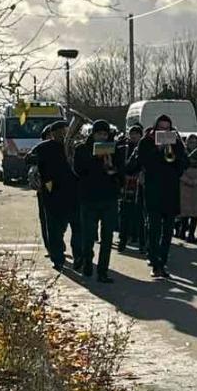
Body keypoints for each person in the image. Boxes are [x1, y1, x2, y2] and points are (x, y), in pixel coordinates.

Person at [126, 116, 188, 280]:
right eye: (161, 128)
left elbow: (184, 163)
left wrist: (174, 154)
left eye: (167, 129)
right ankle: (155, 262)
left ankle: (163, 261)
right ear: (155, 129)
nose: (164, 132)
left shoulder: (176, 141)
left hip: (171, 190)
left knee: (168, 230)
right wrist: (157, 149)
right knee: (153, 228)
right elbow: (136, 164)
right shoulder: (146, 142)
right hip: (153, 190)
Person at [73, 120, 123, 282]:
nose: (102, 137)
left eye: (104, 134)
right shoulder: (82, 149)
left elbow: (120, 173)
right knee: (88, 236)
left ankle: (103, 271)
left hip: (109, 198)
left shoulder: (114, 150)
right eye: (99, 134)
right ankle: (87, 260)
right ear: (93, 134)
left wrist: (111, 168)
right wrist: (95, 159)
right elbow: (78, 170)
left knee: (107, 238)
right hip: (89, 198)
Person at [26, 119, 78, 271]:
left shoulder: (74, 146)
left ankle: (79, 256)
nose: (64, 134)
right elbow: (28, 158)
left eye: (66, 131)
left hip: (73, 191)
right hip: (52, 190)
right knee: (54, 228)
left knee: (76, 228)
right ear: (53, 134)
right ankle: (58, 258)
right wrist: (37, 161)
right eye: (60, 132)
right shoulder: (44, 147)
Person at [116, 124, 146, 252]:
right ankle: (122, 241)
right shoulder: (123, 148)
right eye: (131, 133)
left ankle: (141, 243)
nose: (133, 136)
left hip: (140, 185)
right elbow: (122, 166)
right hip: (126, 184)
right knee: (124, 214)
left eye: (136, 134)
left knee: (140, 216)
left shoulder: (145, 149)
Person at [177, 134, 197, 243]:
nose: (193, 144)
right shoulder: (182, 154)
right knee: (185, 211)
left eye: (195, 142)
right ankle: (182, 231)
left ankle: (191, 234)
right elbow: (179, 169)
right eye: (190, 142)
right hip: (184, 186)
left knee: (195, 212)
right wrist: (188, 180)